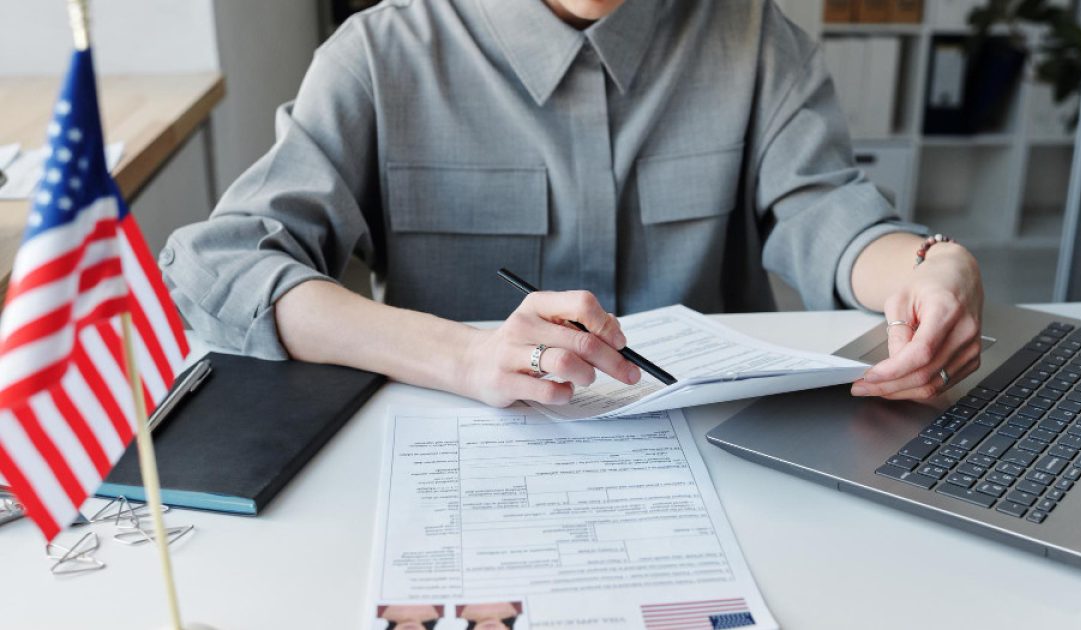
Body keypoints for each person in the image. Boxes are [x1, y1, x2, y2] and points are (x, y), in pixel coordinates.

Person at [161, 0, 983, 408]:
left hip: (727, 456)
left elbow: (828, 215)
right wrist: (465, 356)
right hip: (466, 465)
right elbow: (220, 266)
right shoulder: (382, 53)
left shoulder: (753, 38)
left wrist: (927, 267)